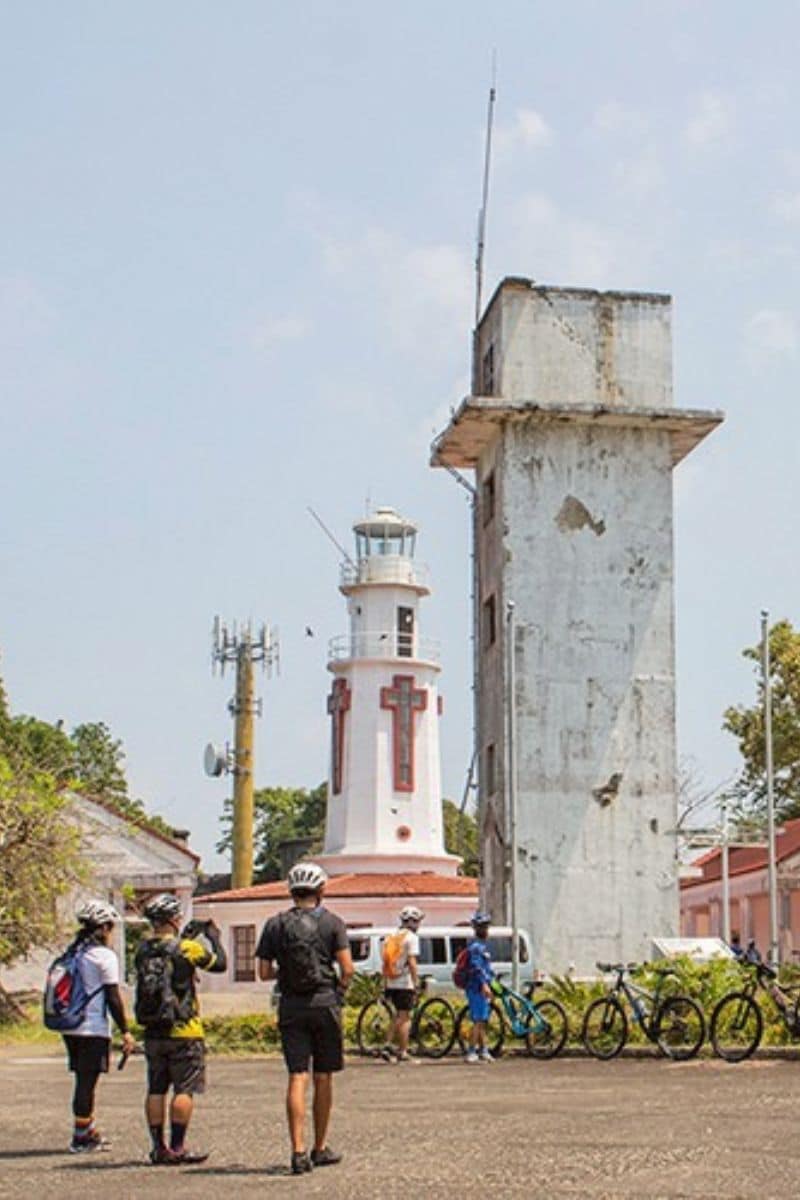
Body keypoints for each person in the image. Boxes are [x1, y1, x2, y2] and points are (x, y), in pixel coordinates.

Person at [256, 862, 354, 1176]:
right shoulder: (333, 923)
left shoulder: (275, 925)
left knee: (297, 1076)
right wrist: (339, 989)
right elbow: (347, 968)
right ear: (321, 890)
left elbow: (263, 972)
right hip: (325, 1004)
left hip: (291, 1006)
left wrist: (286, 973)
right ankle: (319, 1147)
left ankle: (297, 1151)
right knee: (323, 1076)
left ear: (291, 891)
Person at [135, 893, 227, 1166]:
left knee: (156, 1088)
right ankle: (177, 1147)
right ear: (175, 919)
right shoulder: (187, 948)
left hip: (153, 1030)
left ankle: (157, 1147)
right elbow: (219, 964)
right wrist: (213, 938)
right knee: (184, 1089)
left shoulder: (142, 950)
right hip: (184, 1029)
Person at [59, 899, 135, 1152]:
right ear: (103, 928)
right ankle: (81, 1137)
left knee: (83, 1078)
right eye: (110, 927)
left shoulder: (75, 952)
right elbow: (113, 997)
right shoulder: (104, 956)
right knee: (86, 1082)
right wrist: (125, 1030)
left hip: (70, 1026)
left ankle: (87, 1129)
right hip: (91, 1027)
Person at [379, 905, 424, 1062]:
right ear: (413, 922)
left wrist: (384, 983)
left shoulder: (390, 936)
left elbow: (384, 962)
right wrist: (416, 982)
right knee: (405, 1017)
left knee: (398, 1015)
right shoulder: (411, 938)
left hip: (391, 981)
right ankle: (402, 1051)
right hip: (404, 983)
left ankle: (388, 1045)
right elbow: (412, 962)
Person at [463, 911, 495, 1064]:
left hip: (482, 987)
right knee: (478, 1020)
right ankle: (471, 1051)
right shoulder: (476, 947)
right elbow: (476, 968)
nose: (487, 930)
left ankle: (484, 1050)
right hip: (476, 988)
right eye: (484, 927)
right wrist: (484, 984)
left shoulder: (482, 946)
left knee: (482, 1020)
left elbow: (486, 967)